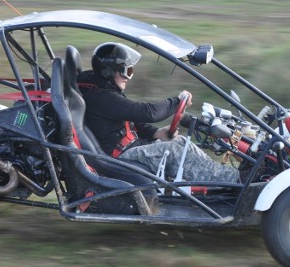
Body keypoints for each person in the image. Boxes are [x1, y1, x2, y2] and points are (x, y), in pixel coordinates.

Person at [77, 42, 239, 183]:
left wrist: (157, 133)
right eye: (125, 72)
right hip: (120, 156)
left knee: (181, 142)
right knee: (174, 151)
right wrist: (176, 102)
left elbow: (131, 119)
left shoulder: (104, 89)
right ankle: (232, 180)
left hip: (129, 146)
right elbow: (147, 113)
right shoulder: (101, 98)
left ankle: (223, 177)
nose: (128, 77)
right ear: (108, 72)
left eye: (130, 71)